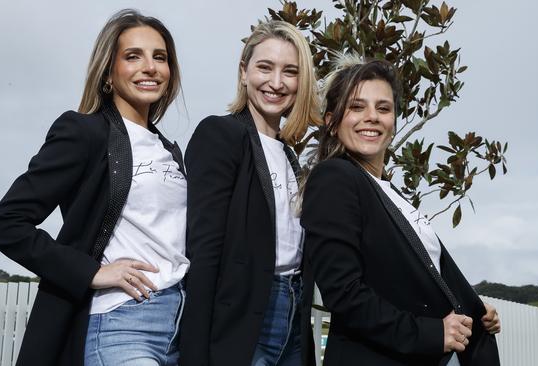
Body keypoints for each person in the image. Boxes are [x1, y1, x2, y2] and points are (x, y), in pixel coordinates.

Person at [0, 9, 187, 366]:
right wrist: (90, 271)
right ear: (109, 71)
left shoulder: (170, 151)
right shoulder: (83, 133)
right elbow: (5, 223)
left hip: (179, 327)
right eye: (133, 56)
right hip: (121, 323)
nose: (150, 67)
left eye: (160, 57)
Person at [299, 57, 501, 366]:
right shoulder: (334, 178)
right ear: (331, 120)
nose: (372, 117)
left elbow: (414, 278)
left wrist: (474, 309)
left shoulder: (392, 194)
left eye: (383, 108)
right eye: (356, 107)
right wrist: (432, 333)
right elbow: (344, 294)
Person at [179, 20, 322, 366]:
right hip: (241, 319)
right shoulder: (220, 135)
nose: (276, 83)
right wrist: (194, 353)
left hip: (293, 319)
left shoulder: (291, 158)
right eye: (264, 67)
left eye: (290, 71)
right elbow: (203, 250)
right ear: (244, 72)